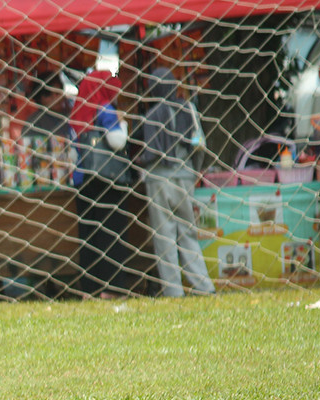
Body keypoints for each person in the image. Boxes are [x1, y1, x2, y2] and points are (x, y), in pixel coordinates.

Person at [137, 67, 215, 298]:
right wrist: (193, 170)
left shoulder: (150, 116)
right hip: (184, 177)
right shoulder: (188, 109)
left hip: (158, 180)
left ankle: (173, 290)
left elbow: (148, 152)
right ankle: (203, 286)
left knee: (164, 236)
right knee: (188, 232)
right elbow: (200, 144)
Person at [69, 71, 138, 300]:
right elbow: (117, 141)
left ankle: (90, 288)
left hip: (83, 182)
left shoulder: (78, 112)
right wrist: (124, 124)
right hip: (108, 181)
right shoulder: (105, 109)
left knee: (89, 236)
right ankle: (113, 287)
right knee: (112, 235)